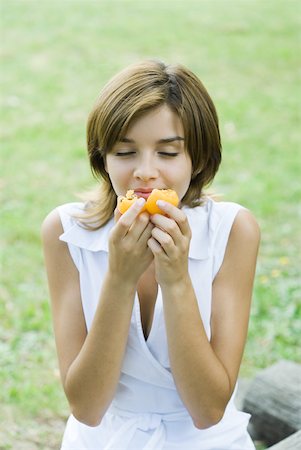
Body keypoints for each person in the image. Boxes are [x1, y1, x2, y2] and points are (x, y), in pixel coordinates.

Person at [42, 59, 260, 450]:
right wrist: (120, 279)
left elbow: (208, 409)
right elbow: (87, 408)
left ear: (199, 159)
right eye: (125, 152)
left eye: (168, 153)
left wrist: (175, 279)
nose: (145, 172)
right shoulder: (65, 233)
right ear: (102, 158)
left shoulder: (233, 231)